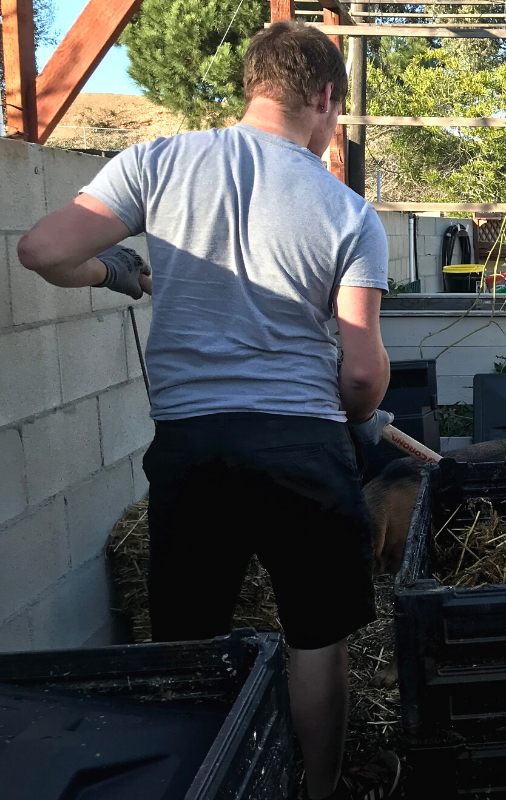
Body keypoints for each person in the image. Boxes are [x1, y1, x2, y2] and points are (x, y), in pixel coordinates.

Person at [19, 21, 399, 800]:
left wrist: (112, 272)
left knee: (189, 648)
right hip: (302, 447)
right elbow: (361, 373)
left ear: (254, 86)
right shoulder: (349, 213)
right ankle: (316, 792)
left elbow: (41, 250)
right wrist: (355, 410)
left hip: (194, 445)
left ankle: (200, 783)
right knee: (315, 644)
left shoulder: (157, 161)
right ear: (326, 98)